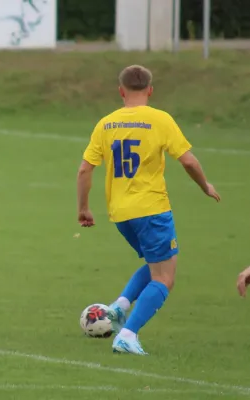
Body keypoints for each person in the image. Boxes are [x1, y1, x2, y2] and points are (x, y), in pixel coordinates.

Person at [76, 65, 220, 355]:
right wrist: (205, 186)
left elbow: (84, 170)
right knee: (165, 277)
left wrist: (84, 208)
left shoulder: (106, 123)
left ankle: (119, 309)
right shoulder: (159, 119)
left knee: (157, 263)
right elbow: (189, 162)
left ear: (121, 91)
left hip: (120, 214)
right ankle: (127, 335)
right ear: (150, 90)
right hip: (152, 209)